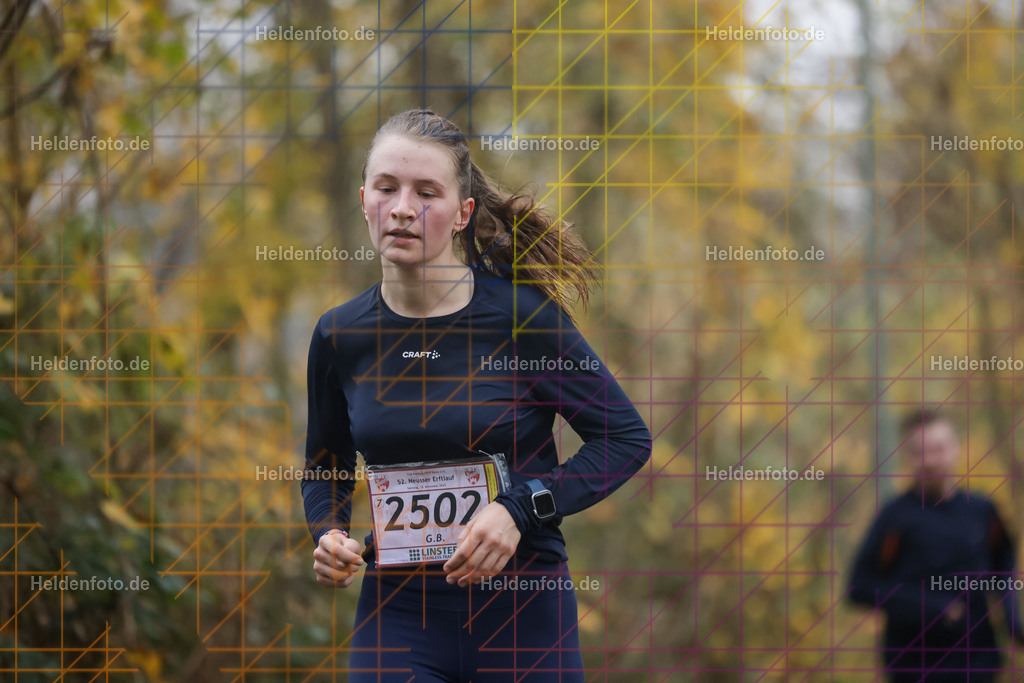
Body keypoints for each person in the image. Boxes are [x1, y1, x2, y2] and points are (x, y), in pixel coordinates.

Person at [301, 109, 652, 682]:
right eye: (386, 188)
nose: (404, 207)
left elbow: (624, 439)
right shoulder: (340, 335)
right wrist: (329, 532)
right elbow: (326, 465)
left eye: (427, 192)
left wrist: (520, 507)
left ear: (464, 213)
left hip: (523, 616)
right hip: (398, 619)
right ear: (364, 197)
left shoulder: (521, 320)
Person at [848, 408, 1023, 682]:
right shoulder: (895, 517)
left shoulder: (983, 511)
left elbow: (1003, 569)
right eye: (919, 452)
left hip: (977, 663)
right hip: (914, 667)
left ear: (955, 449)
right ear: (907, 457)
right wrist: (930, 607)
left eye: (938, 449)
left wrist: (1014, 623)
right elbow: (859, 586)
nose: (929, 461)